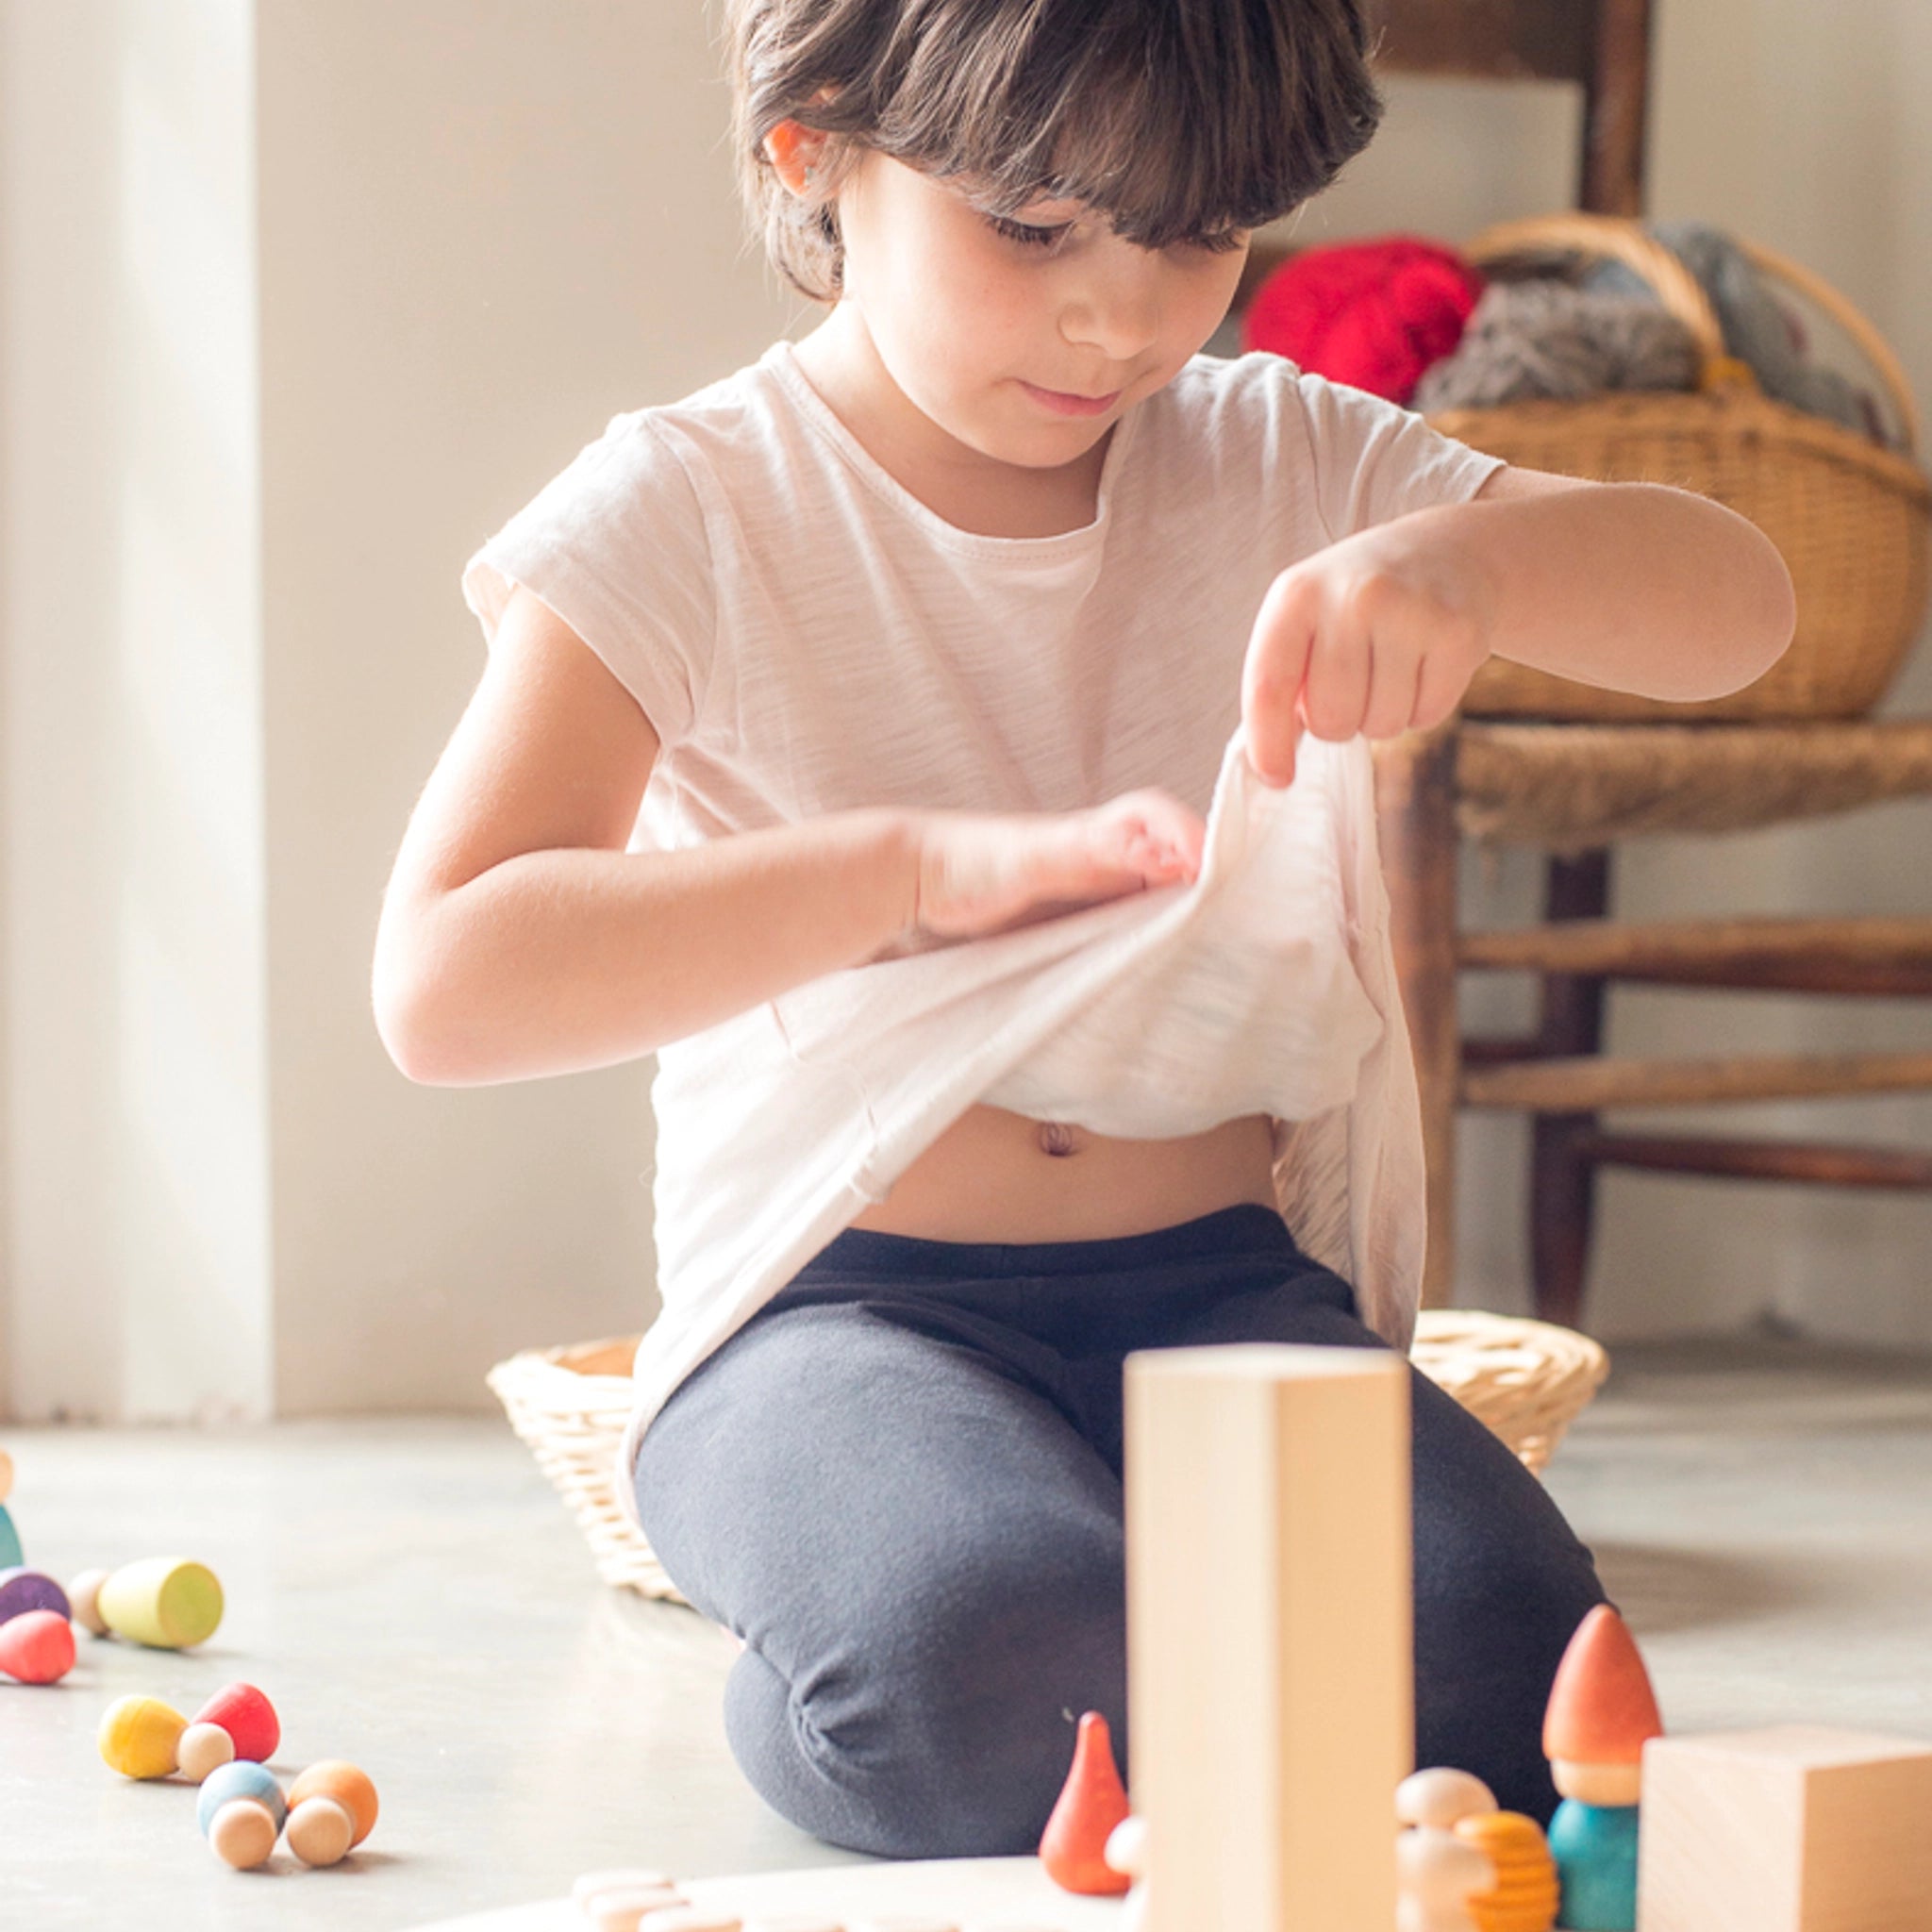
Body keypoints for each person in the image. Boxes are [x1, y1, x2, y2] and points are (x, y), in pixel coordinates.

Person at [373, 0, 1795, 1863]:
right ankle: (835, 1634)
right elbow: (448, 977)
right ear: (814, 151)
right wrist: (898, 877)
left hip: (1226, 1301)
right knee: (997, 1663)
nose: (1120, 317)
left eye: (1194, 236)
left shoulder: (1280, 456)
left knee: (1513, 1686)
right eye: (1030, 229)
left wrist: (1475, 557)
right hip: (828, 1315)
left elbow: (1740, 608)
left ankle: (1069, 1621)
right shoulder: (691, 506)